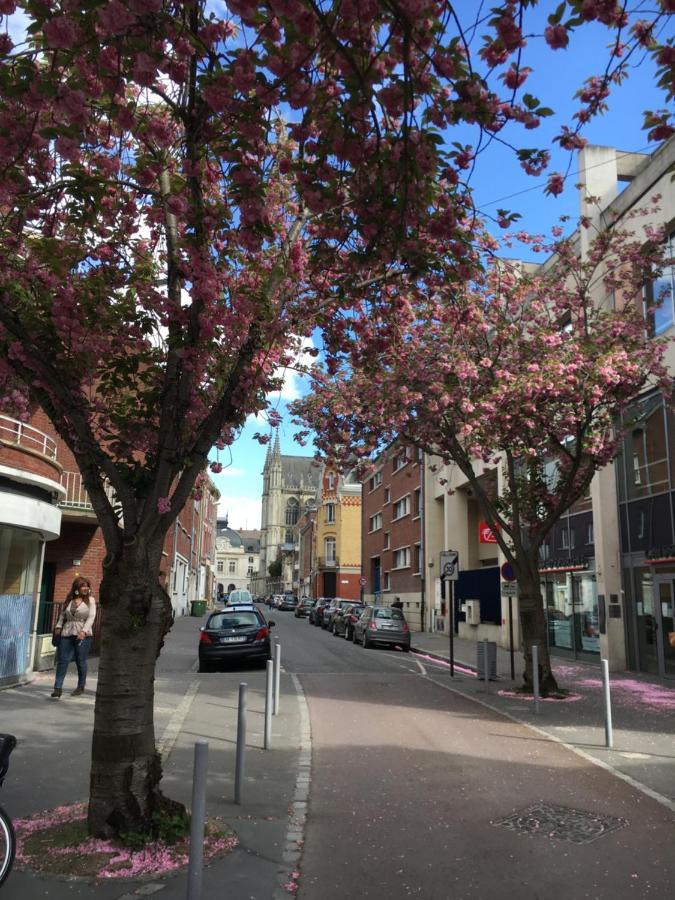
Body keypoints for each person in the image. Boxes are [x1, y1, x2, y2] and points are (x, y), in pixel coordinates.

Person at [50, 576, 97, 699]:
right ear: (77, 587)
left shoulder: (91, 600)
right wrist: (58, 627)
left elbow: (91, 617)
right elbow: (62, 615)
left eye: (87, 586)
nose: (85, 588)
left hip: (83, 634)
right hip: (67, 632)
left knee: (81, 661)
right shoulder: (69, 599)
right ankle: (57, 688)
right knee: (62, 660)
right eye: (83, 586)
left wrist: (83, 631)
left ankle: (81, 686)